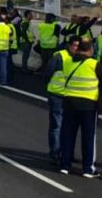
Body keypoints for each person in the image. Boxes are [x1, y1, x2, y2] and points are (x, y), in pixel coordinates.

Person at [58, 39, 102, 178]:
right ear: (90, 50)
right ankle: (88, 168)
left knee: (67, 135)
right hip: (88, 105)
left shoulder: (68, 62)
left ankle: (64, 165)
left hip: (69, 103)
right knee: (88, 137)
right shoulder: (94, 64)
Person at [43, 36, 79, 165]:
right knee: (56, 126)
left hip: (71, 97)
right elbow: (48, 73)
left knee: (69, 127)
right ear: (68, 45)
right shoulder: (59, 56)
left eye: (78, 46)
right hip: (57, 95)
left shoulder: (80, 59)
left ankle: (67, 152)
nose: (76, 48)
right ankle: (55, 152)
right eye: (74, 45)